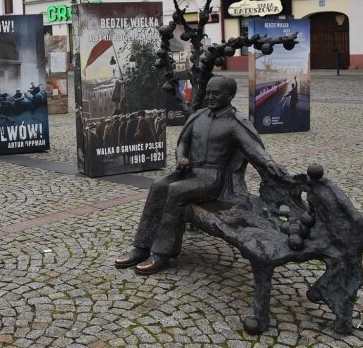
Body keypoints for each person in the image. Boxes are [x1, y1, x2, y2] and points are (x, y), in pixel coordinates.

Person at [115, 75, 290, 275]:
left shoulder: (235, 123)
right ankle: (141, 247)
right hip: (190, 171)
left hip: (212, 179)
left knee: (174, 191)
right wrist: (181, 157)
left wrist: (269, 164)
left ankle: (161, 253)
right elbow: (183, 142)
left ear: (230, 95)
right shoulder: (198, 116)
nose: (210, 97)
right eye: (208, 92)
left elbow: (254, 150)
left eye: (216, 93)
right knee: (158, 185)